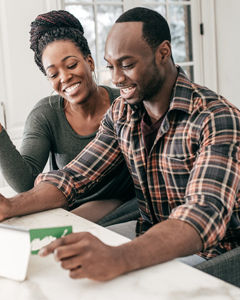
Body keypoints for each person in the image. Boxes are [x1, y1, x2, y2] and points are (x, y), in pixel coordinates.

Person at [1, 7, 240, 281]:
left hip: (214, 252)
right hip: (149, 233)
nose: (115, 79)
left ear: (163, 53)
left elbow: (202, 216)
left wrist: (119, 257)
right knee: (57, 270)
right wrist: (9, 206)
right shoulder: (123, 112)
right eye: (110, 66)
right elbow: (74, 177)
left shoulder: (217, 118)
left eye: (126, 65)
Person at [0, 10, 138, 226]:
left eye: (71, 65)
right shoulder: (45, 114)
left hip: (124, 210)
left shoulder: (123, 106)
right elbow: (27, 184)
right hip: (66, 209)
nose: (64, 77)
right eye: (53, 74)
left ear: (90, 62)